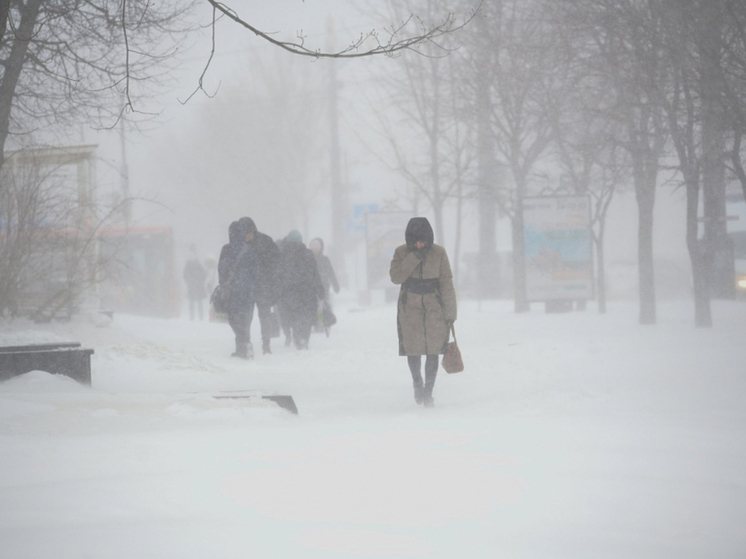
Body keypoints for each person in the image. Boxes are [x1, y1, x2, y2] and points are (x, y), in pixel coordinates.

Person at [390, 217, 457, 407]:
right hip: (409, 308)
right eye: (416, 240)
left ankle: (429, 391)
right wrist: (414, 257)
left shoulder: (439, 253)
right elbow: (396, 277)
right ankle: (417, 382)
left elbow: (446, 283)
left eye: (423, 240)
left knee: (433, 350)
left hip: (434, 308)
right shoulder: (401, 253)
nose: (420, 244)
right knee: (413, 349)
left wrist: (450, 312)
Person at [238, 217, 281, 355]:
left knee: (264, 316)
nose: (247, 236)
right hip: (249, 286)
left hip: (263, 285)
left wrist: (268, 275)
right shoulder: (240, 244)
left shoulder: (265, 241)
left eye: (248, 232)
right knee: (247, 316)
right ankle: (247, 342)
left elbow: (276, 261)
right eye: (244, 233)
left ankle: (266, 344)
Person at [218, 220, 259, 359]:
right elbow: (255, 272)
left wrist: (223, 285)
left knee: (234, 319)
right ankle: (243, 346)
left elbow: (221, 270)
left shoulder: (226, 249)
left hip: (232, 291)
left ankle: (243, 345)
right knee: (246, 319)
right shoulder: (250, 250)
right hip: (247, 291)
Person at [277, 230, 324, 350]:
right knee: (305, 317)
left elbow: (278, 274)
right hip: (307, 292)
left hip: (288, 292)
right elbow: (315, 274)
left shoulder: (282, 254)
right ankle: (303, 339)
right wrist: (320, 290)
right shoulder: (308, 254)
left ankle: (297, 337)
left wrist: (276, 289)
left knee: (293, 316)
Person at [309, 237, 339, 333]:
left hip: (323, 288)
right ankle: (314, 323)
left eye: (316, 247)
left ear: (321, 248)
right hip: (311, 287)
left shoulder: (325, 259)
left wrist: (335, 285)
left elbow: (331, 273)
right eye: (312, 247)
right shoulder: (308, 259)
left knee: (321, 306)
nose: (314, 249)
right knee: (312, 306)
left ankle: (320, 323)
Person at [183, 246, 208, 321]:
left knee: (195, 302)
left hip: (196, 285)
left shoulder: (194, 263)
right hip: (195, 285)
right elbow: (185, 275)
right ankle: (195, 317)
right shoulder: (195, 263)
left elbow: (203, 274)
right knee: (194, 302)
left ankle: (197, 317)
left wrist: (199, 281)